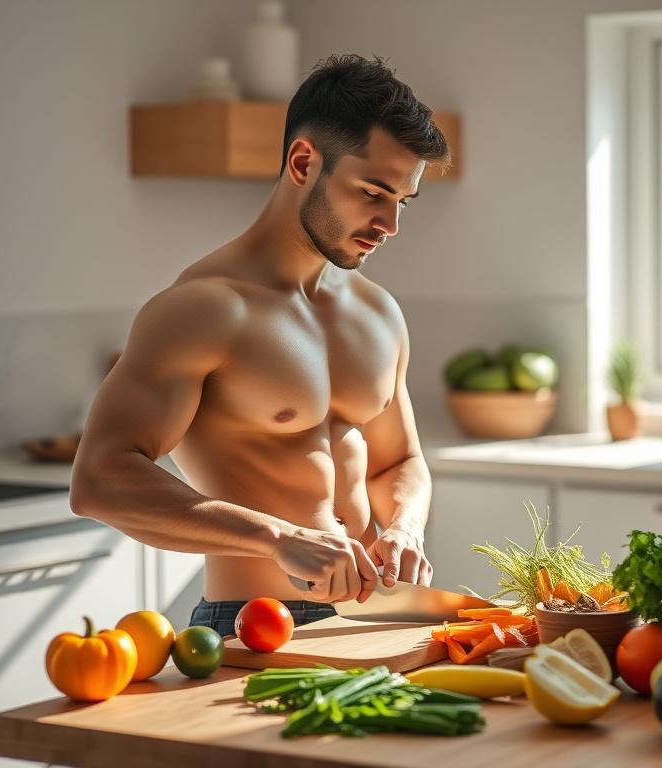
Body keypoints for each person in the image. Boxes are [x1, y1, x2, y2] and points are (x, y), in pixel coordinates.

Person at [70, 54, 450, 634]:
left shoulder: (377, 311)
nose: (389, 224)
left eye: (402, 201)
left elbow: (399, 461)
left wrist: (404, 526)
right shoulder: (204, 309)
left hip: (373, 623)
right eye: (373, 192)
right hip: (255, 626)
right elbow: (98, 480)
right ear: (304, 162)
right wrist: (278, 538)